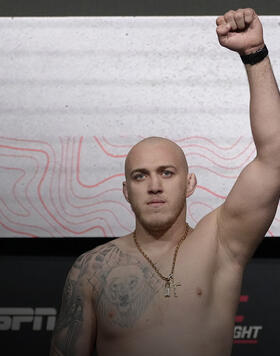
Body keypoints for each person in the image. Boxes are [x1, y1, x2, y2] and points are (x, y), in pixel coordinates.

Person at [49, 8, 280, 356]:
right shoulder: (93, 268)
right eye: (140, 176)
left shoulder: (221, 243)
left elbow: (275, 156)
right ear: (126, 191)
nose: (154, 186)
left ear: (190, 184)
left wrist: (254, 54)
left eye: (167, 173)